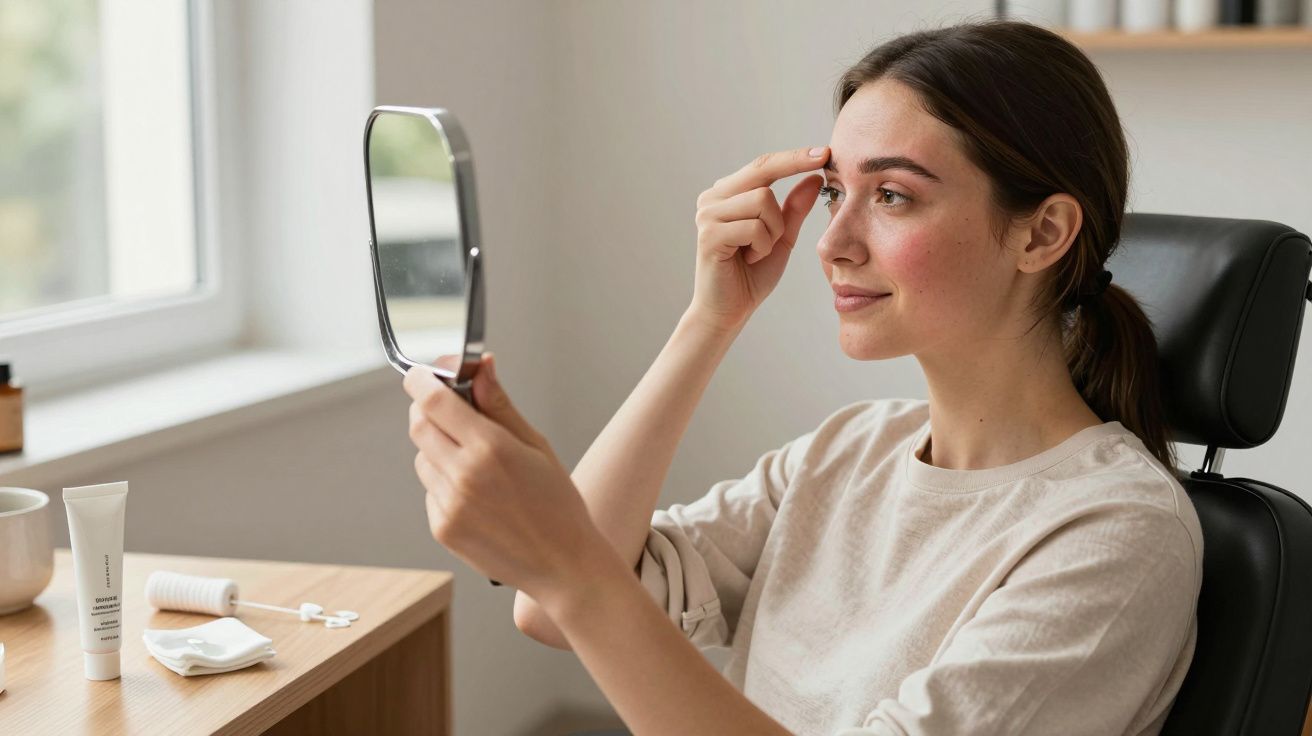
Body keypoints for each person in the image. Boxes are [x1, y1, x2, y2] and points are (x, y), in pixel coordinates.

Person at [408, 18, 1203, 736]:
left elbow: (575, 585)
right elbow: (549, 609)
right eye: (832, 193)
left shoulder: (1118, 532)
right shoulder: (846, 452)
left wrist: (568, 566)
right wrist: (708, 322)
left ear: (1044, 233)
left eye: (892, 195)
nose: (833, 243)